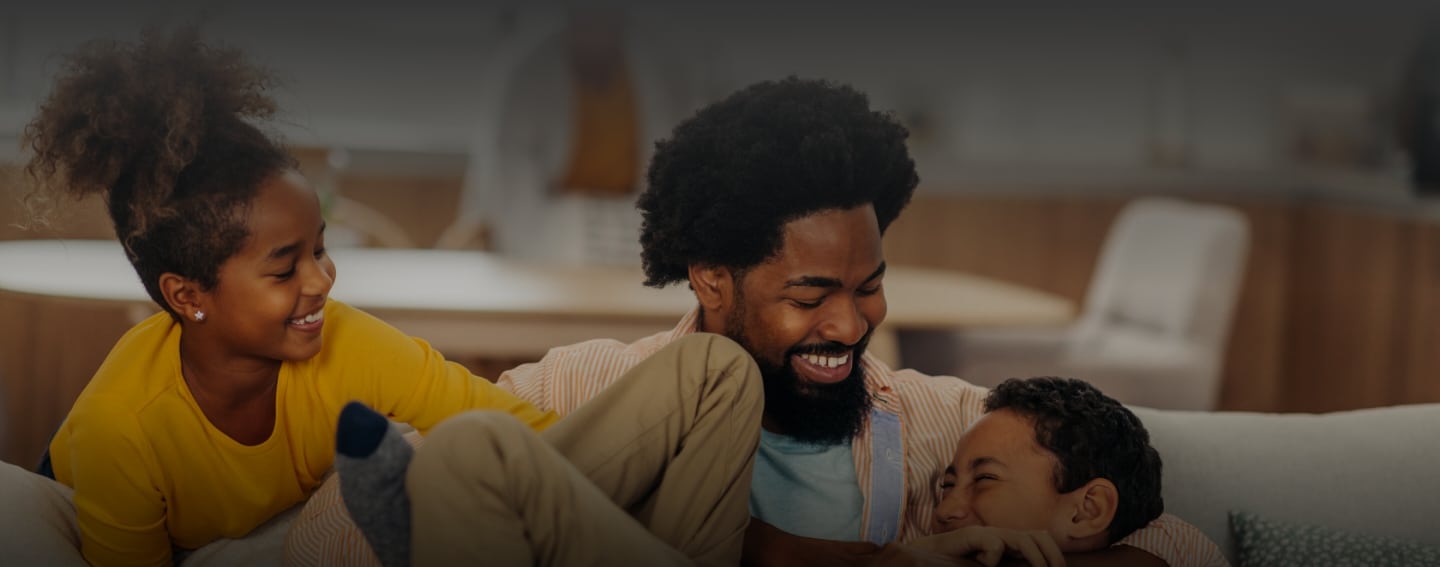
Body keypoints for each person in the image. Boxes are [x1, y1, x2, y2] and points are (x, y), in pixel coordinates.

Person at [290, 77, 1226, 566]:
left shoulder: (941, 430)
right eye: (811, 292)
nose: (852, 324)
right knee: (470, 459)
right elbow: (329, 533)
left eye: (870, 286)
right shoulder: (593, 386)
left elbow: (1181, 543)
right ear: (711, 281)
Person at [21, 28, 763, 567]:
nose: (322, 281)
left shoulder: (344, 342)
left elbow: (528, 442)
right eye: (286, 269)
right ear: (188, 295)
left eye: (320, 248)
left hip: (426, 506)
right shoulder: (124, 427)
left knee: (715, 371)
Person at [902, 377, 1217, 566]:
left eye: (985, 478)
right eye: (947, 484)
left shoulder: (1176, 548)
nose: (945, 510)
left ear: (1087, 510)